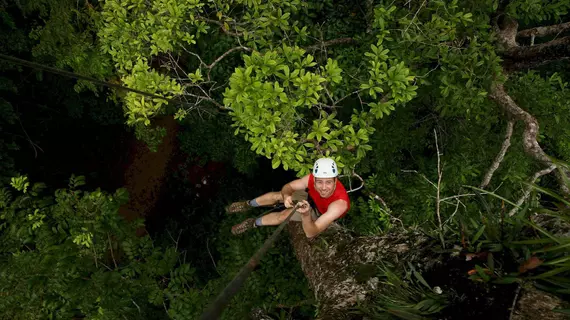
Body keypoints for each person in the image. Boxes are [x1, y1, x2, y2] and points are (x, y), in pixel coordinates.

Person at [227, 158, 350, 238]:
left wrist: (306, 215)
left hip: (317, 212)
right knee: (278, 195)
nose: (323, 187)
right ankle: (248, 204)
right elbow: (289, 186)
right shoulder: (311, 178)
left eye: (328, 182)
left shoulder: (339, 204)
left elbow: (311, 232)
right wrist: (286, 196)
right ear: (315, 179)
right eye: (319, 182)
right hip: (309, 197)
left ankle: (253, 223)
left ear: (335, 180)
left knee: (284, 216)